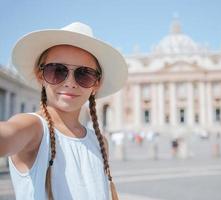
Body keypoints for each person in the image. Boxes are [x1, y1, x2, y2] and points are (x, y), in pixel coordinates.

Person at [0, 22, 127, 200]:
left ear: (96, 84)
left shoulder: (100, 142)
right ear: (40, 76)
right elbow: (7, 134)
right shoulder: (34, 129)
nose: (70, 82)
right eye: (57, 71)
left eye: (84, 74)